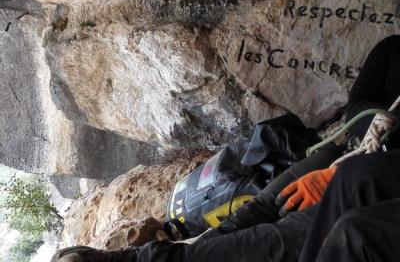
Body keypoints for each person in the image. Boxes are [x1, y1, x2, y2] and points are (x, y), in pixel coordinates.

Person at [51, 35, 400, 262]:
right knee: (284, 212)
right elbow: (361, 104)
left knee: (336, 205)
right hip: (354, 174)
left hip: (364, 168)